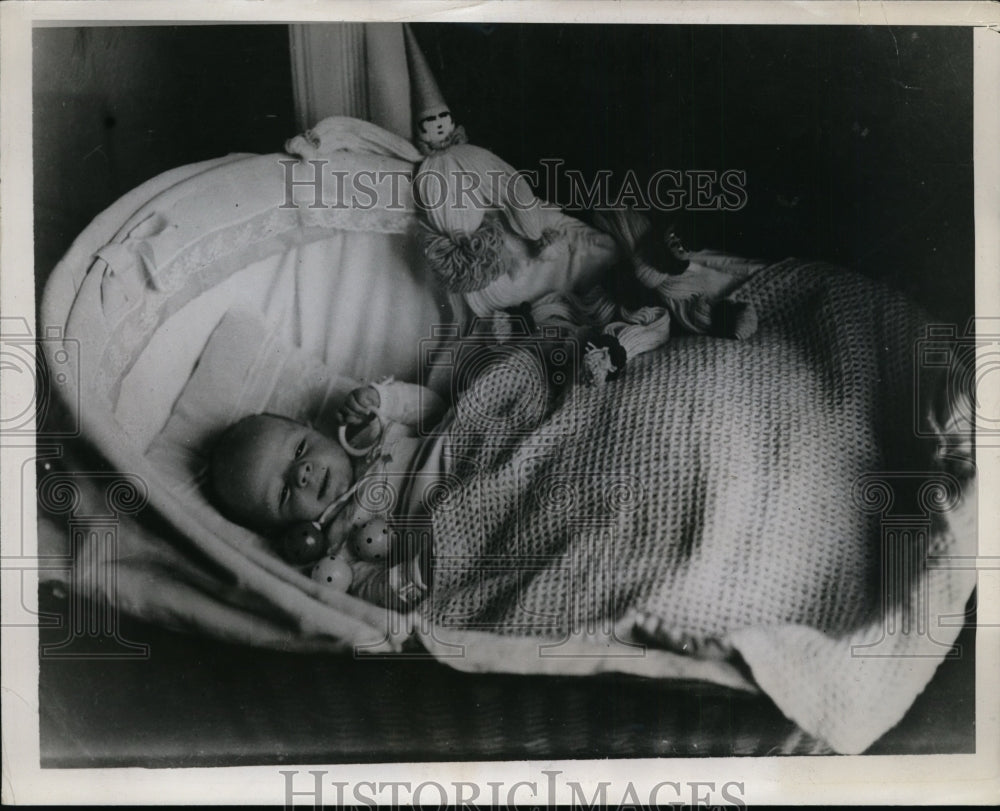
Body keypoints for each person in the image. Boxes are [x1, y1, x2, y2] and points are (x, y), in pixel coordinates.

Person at [208, 379, 447, 609]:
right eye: (283, 493)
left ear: (315, 431)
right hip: (449, 536)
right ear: (282, 529)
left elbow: (437, 410)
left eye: (299, 449)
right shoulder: (340, 554)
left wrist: (384, 399)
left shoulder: (373, 433)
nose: (301, 473)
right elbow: (375, 590)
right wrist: (417, 574)